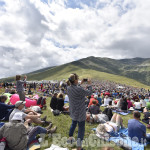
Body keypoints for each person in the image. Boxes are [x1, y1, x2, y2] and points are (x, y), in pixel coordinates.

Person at [67, 73, 92, 150]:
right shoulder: (79, 89)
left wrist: (79, 84)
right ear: (75, 80)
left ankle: (70, 138)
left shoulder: (68, 88)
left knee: (73, 123)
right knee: (81, 128)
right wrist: (90, 85)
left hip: (73, 109)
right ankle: (79, 146)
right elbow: (89, 93)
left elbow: (77, 89)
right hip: (80, 111)